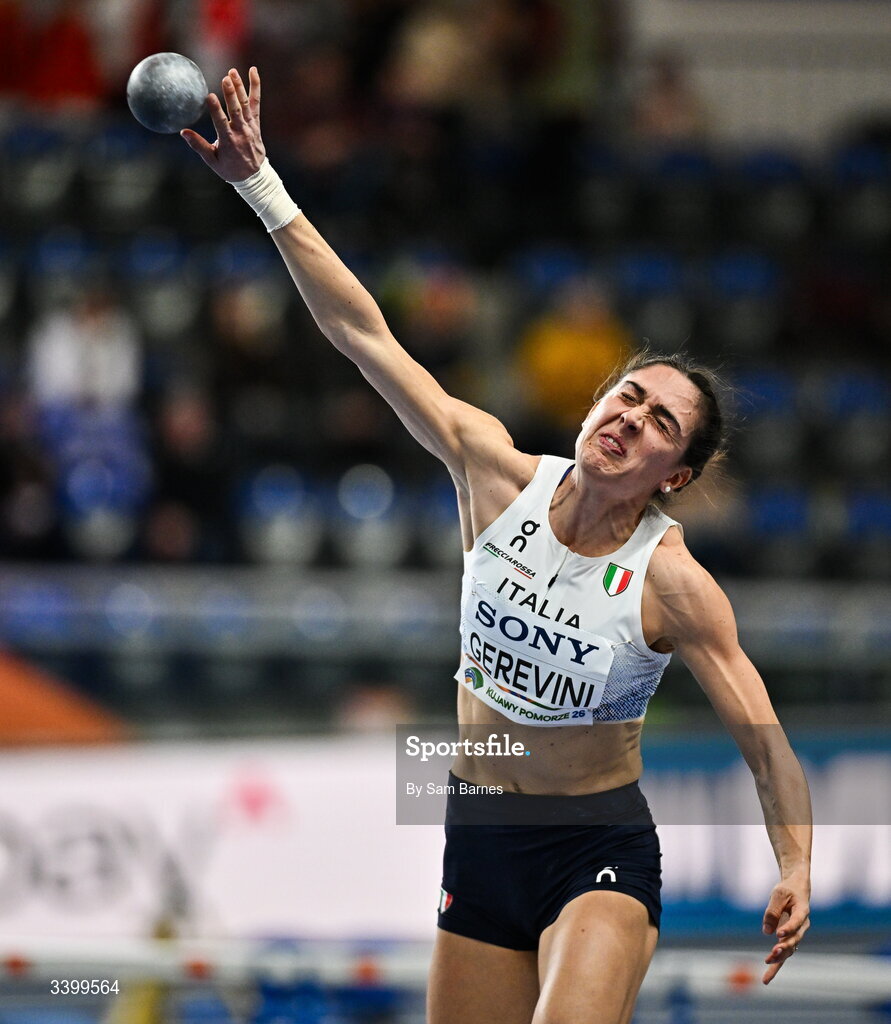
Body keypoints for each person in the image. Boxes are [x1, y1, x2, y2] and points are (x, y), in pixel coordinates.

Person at [182, 67, 812, 1024]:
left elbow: (764, 748)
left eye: (659, 427)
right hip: (479, 830)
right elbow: (363, 333)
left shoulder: (674, 582)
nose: (631, 421)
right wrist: (257, 184)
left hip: (592, 845)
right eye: (627, 397)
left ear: (673, 476)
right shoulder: (493, 473)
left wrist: (797, 865)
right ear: (598, 401)